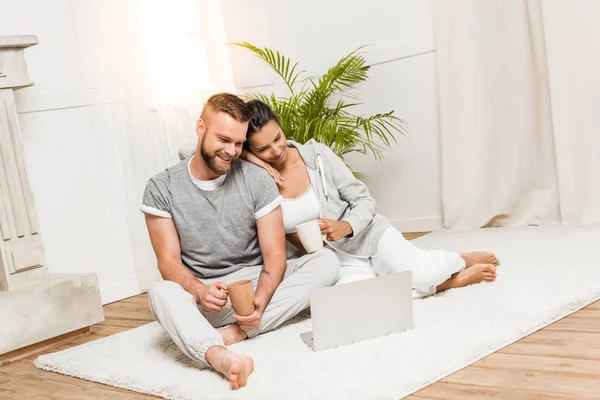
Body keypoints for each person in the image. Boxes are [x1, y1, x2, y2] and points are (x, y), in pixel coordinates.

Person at [141, 93, 340, 390]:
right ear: (200, 129)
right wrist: (199, 291)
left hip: (253, 283)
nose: (231, 151)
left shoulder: (256, 179)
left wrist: (260, 299)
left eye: (238, 143)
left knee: (327, 262)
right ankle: (219, 356)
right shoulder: (161, 188)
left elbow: (274, 255)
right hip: (206, 296)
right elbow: (167, 261)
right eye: (223, 140)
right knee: (161, 292)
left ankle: (239, 333)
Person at [239, 99, 500, 298]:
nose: (276, 151)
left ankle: (456, 261)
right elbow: (211, 148)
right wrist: (256, 163)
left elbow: (364, 200)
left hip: (370, 236)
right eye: (263, 149)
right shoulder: (255, 183)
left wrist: (346, 226)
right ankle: (445, 283)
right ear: (248, 150)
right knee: (361, 301)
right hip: (333, 264)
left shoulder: (317, 156)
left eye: (278, 138)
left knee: (425, 272)